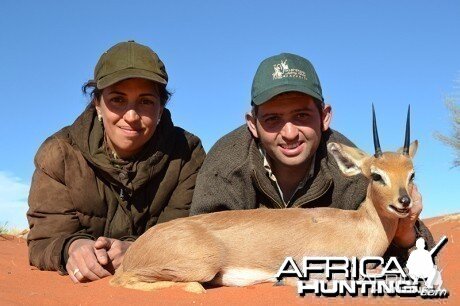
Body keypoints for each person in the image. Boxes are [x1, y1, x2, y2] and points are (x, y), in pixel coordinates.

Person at [190, 53, 434, 258]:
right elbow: (198, 238)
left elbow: (403, 259)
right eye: (272, 119)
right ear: (253, 124)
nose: (289, 133)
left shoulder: (350, 166)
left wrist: (406, 236)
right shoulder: (227, 161)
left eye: (301, 116)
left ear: (325, 116)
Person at [27, 41, 206, 283]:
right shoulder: (59, 154)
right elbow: (45, 239)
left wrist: (135, 249)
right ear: (97, 104)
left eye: (145, 101)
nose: (131, 116)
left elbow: (185, 230)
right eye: (117, 100)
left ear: (161, 108)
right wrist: (73, 247)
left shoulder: (187, 154)